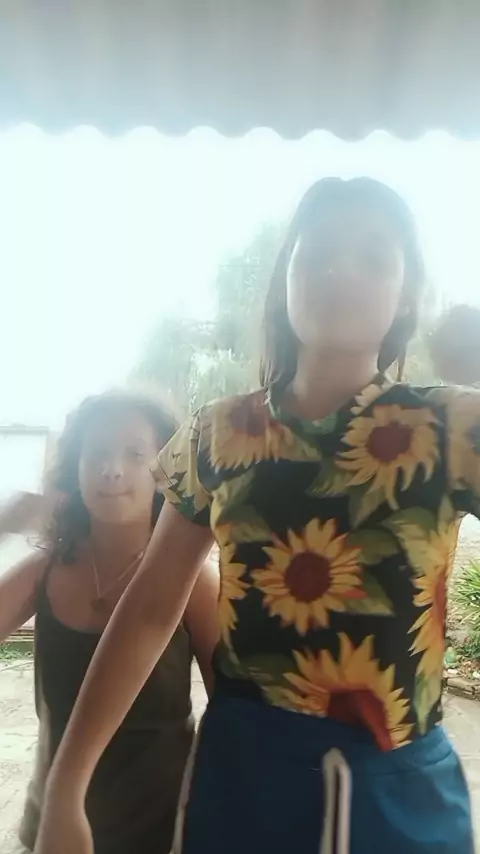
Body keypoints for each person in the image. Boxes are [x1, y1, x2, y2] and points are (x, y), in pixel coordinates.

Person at [34, 179, 476, 854]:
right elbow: (149, 609)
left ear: (407, 294)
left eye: (373, 257)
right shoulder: (217, 435)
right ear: (284, 283)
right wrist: (67, 786)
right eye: (317, 253)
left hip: (402, 800)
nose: (341, 271)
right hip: (245, 786)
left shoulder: (453, 426)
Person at [0, 390, 219, 854]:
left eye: (135, 455)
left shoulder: (193, 582)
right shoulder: (47, 570)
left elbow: (233, 708)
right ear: (75, 468)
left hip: (163, 835)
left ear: (165, 472)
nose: (112, 469)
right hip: (51, 830)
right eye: (96, 453)